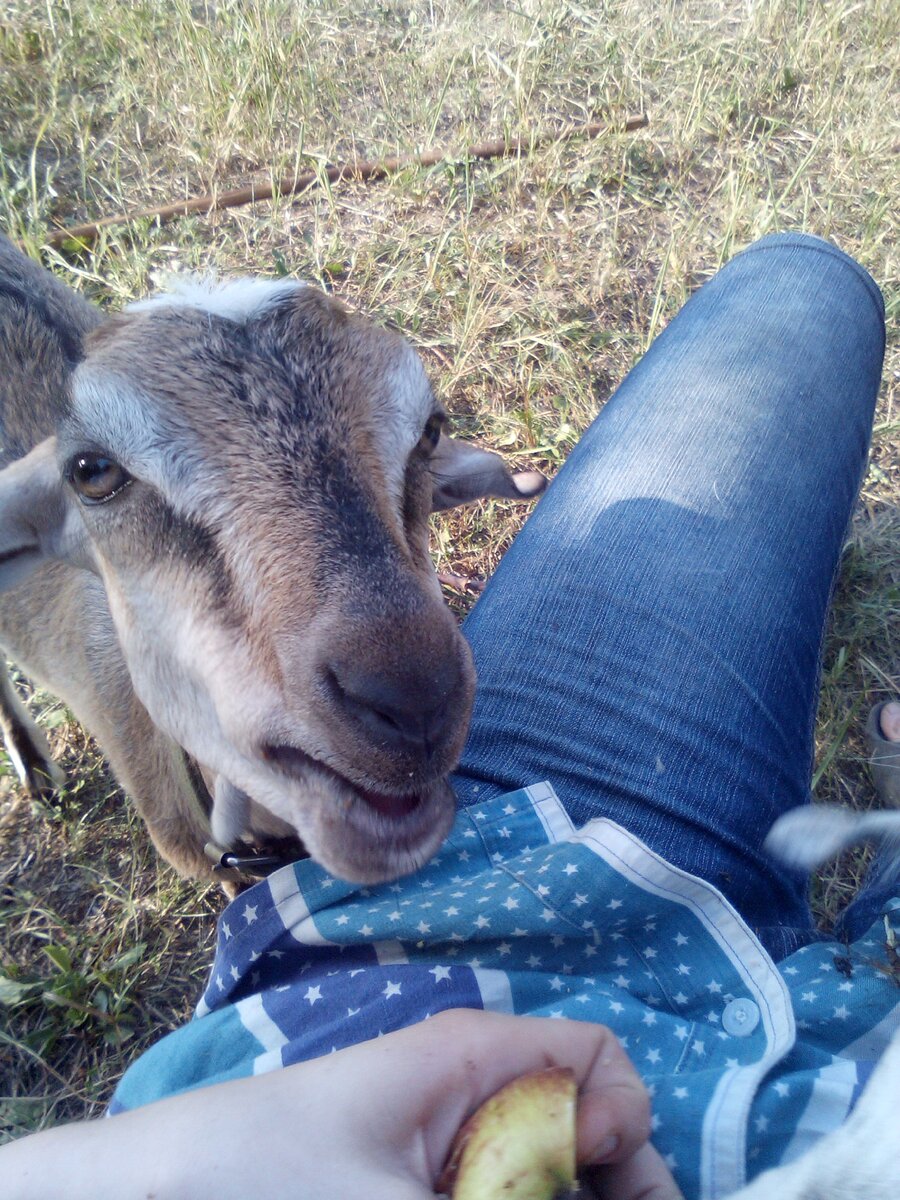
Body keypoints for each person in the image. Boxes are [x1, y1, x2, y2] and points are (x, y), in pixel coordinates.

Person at [1, 232, 896, 1199]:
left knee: (801, 281)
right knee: (802, 284)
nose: (422, 672)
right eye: (99, 475)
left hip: (460, 906)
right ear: (53, 518)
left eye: (421, 436)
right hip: (577, 849)